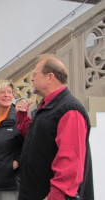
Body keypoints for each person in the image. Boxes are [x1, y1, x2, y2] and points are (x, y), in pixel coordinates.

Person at [16, 54, 94, 200]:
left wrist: (55, 197)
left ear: (49, 77)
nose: (32, 79)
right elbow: (37, 141)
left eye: (35, 74)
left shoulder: (69, 109)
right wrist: (22, 117)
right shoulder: (48, 105)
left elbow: (69, 163)